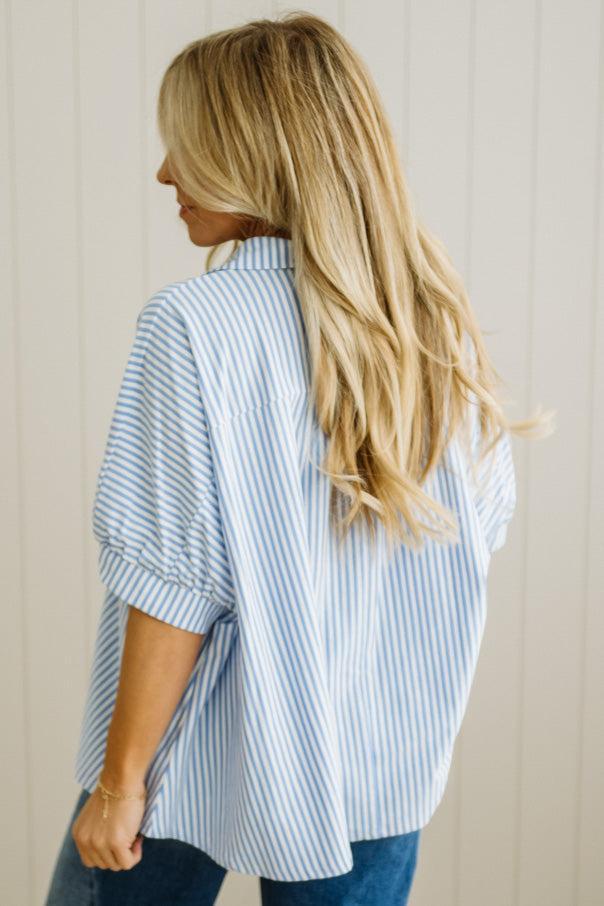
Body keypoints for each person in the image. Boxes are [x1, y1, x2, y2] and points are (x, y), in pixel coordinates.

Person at [44, 11, 553, 906]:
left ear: (256, 156)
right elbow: (478, 530)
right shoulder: (432, 326)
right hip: (380, 761)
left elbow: (172, 581)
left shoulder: (193, 328)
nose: (165, 172)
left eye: (187, 146)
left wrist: (121, 787)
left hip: (182, 758)